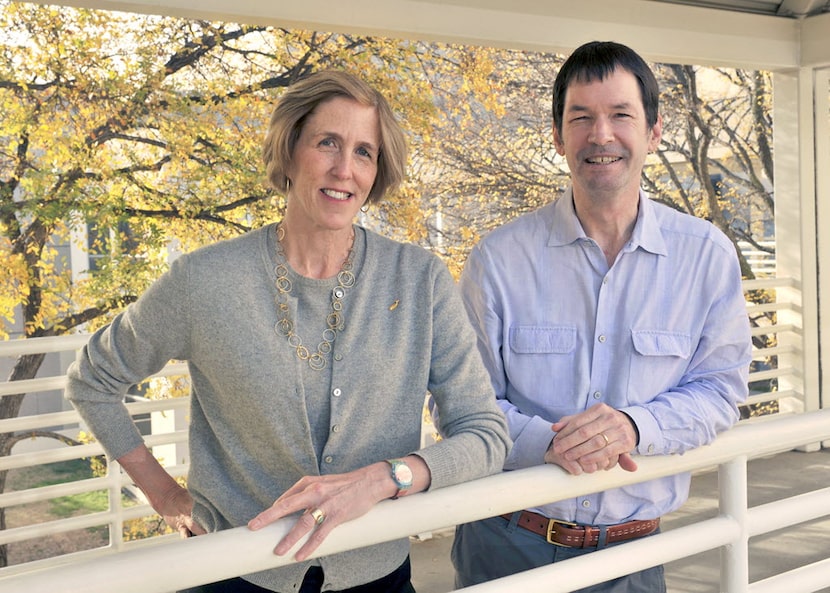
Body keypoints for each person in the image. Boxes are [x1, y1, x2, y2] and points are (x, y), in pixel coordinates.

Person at [65, 70, 510, 593]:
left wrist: (386, 478)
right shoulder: (204, 281)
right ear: (290, 149)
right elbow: (92, 381)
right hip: (233, 571)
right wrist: (163, 493)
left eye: (365, 152)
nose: (345, 169)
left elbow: (485, 435)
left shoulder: (420, 280)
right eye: (328, 143)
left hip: (377, 574)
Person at [451, 41, 752, 592]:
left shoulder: (706, 257)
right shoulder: (498, 259)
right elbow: (464, 402)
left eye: (620, 115)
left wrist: (636, 426)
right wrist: (547, 442)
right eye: (581, 117)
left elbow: (719, 389)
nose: (601, 135)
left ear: (654, 132)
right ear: (558, 135)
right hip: (505, 546)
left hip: (633, 555)